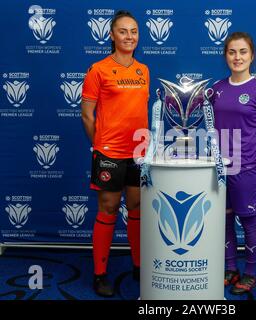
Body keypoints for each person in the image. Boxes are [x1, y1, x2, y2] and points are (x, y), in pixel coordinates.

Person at [81, 10, 149, 297]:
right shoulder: (98, 69)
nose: (129, 36)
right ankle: (99, 274)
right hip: (108, 152)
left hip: (138, 153)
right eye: (123, 31)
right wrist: (101, 146)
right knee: (108, 209)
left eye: (133, 31)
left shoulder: (143, 70)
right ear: (111, 35)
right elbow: (87, 115)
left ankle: (138, 266)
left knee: (136, 208)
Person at [211, 32, 256, 295]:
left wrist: (254, 154)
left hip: (245, 169)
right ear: (225, 56)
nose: (237, 57)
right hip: (218, 170)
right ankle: (231, 267)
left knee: (249, 222)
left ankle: (249, 273)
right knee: (225, 221)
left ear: (252, 55)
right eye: (231, 52)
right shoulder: (215, 89)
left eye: (242, 52)